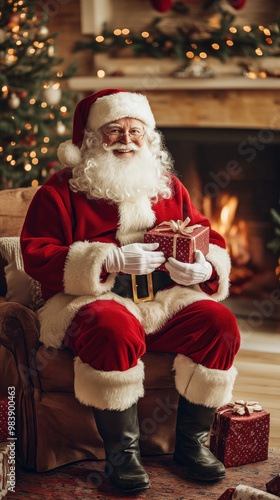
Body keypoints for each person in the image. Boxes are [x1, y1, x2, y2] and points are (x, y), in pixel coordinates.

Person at [20, 89, 240, 494]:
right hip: (90, 300)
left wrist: (203, 267)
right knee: (111, 325)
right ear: (90, 139)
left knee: (219, 321)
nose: (126, 139)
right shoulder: (59, 191)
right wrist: (110, 261)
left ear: (149, 138)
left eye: (136, 131)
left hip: (165, 299)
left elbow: (208, 237)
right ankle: (123, 456)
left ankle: (192, 445)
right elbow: (36, 254)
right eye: (114, 130)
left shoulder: (168, 186)